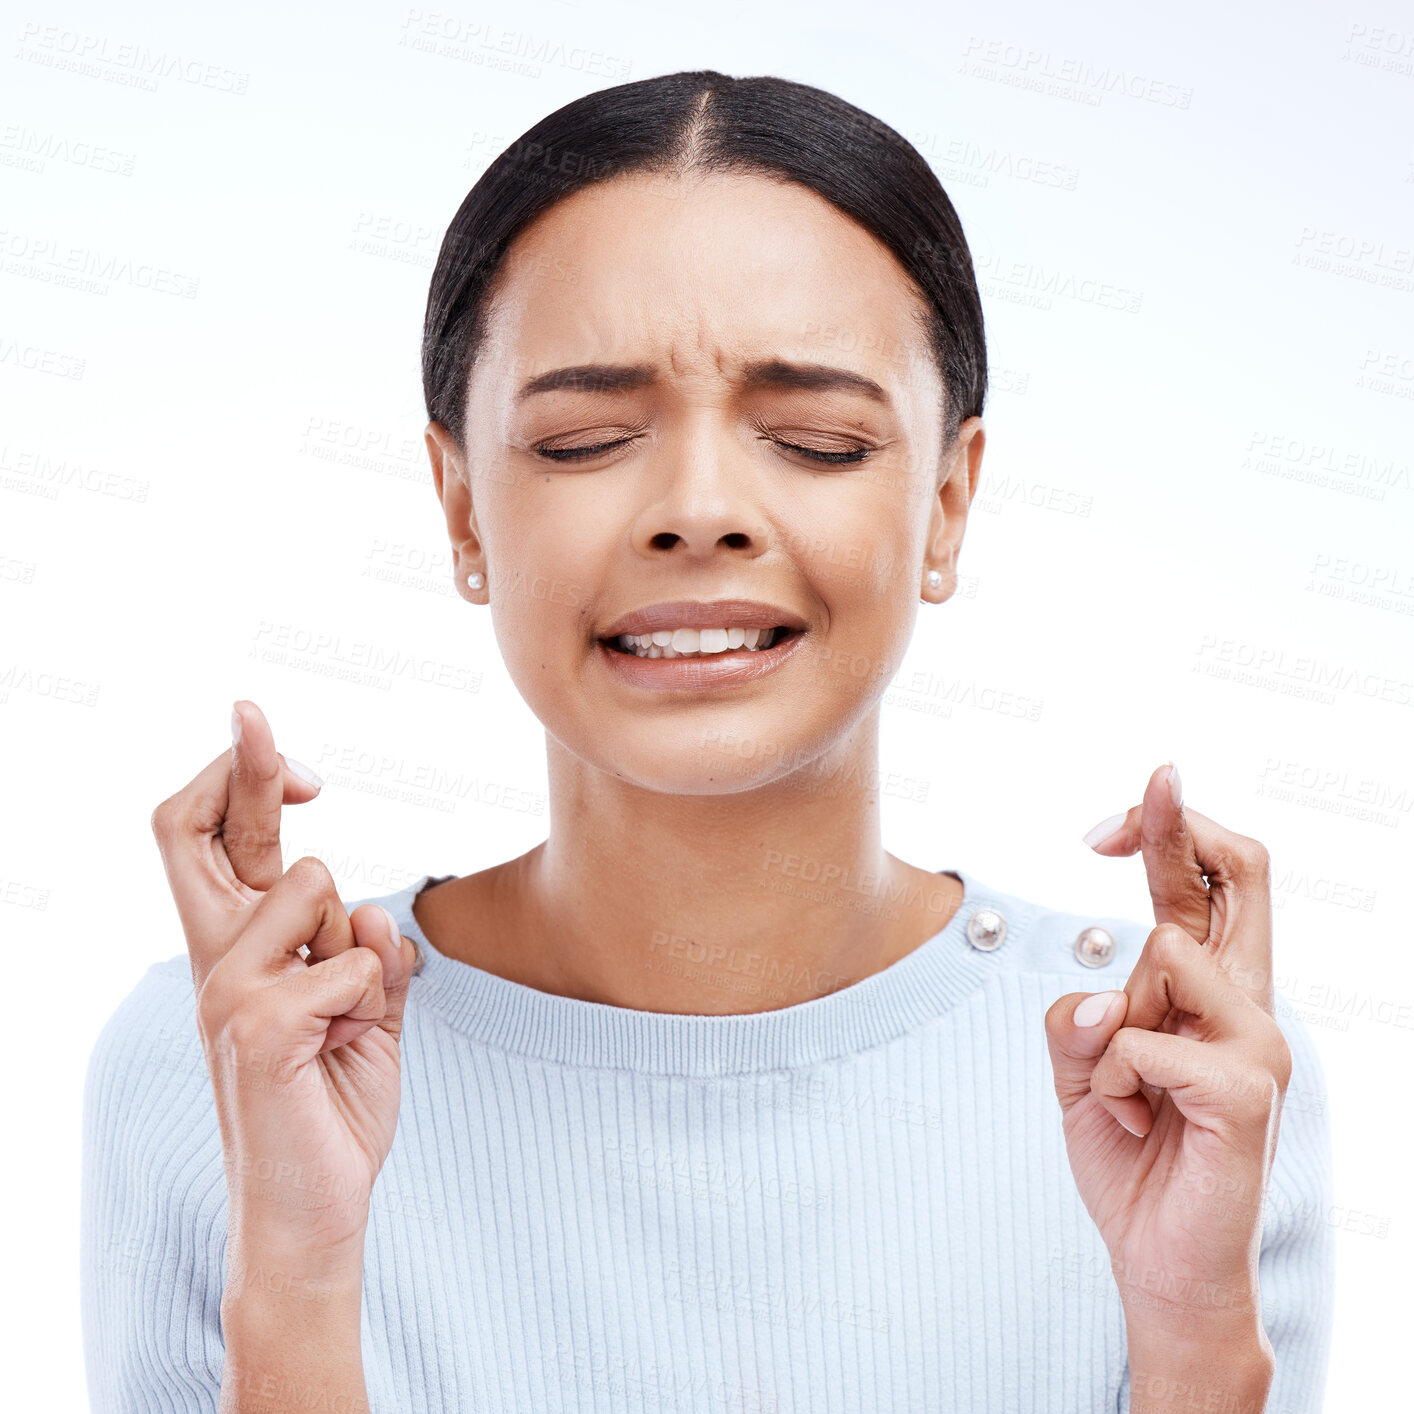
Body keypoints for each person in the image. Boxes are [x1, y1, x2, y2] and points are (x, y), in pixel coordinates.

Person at [81, 70, 1333, 1413]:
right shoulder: (233, 1050)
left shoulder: (1177, 1073)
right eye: (583, 439)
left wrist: (1194, 1330)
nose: (696, 508)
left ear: (947, 506)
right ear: (459, 509)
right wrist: (300, 1272)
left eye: (814, 438)